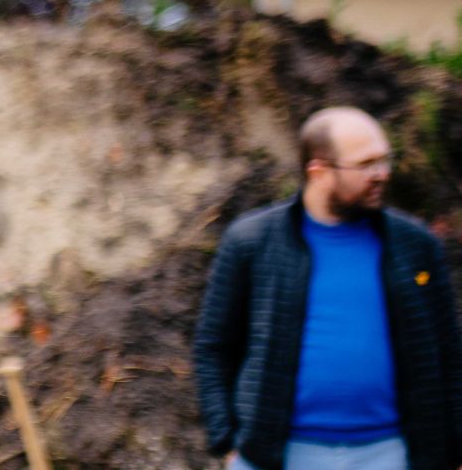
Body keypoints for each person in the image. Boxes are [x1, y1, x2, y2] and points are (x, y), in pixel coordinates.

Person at [193, 106, 462, 470]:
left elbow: (449, 354)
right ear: (318, 171)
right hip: (278, 454)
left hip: (392, 453)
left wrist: (455, 449)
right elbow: (213, 346)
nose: (382, 174)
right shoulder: (252, 241)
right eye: (366, 164)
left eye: (384, 160)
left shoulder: (415, 245)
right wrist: (226, 439)